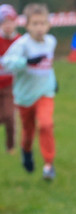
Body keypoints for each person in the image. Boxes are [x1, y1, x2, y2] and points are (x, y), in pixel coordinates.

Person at [1, 3, 56, 180]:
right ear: (27, 26)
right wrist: (26, 62)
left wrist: (54, 82)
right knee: (28, 132)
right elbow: (6, 63)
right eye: (35, 24)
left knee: (46, 124)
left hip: (45, 93)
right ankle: (26, 151)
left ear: (48, 25)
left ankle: (48, 164)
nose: (39, 28)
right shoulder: (22, 44)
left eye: (42, 23)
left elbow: (48, 65)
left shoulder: (51, 42)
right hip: (25, 97)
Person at [0, 3, 19, 155]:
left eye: (10, 22)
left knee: (9, 117)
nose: (7, 25)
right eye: (4, 22)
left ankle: (10, 147)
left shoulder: (20, 41)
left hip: (11, 85)